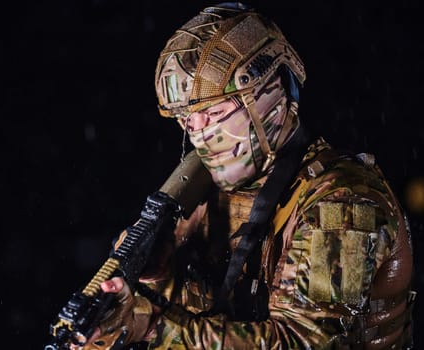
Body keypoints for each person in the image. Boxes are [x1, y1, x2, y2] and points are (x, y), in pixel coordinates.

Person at [72, 3, 415, 349]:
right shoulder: (208, 192)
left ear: (271, 96)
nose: (199, 133)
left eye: (215, 112)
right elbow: (215, 312)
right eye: (188, 120)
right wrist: (148, 295)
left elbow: (300, 343)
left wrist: (154, 329)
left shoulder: (344, 200)